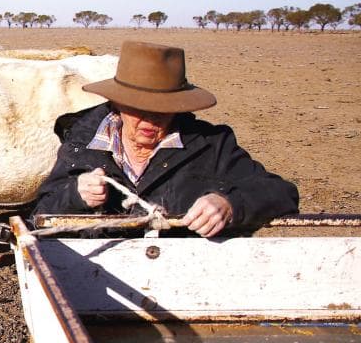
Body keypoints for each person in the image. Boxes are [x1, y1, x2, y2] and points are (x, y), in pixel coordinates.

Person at [33, 41, 298, 237]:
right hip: (95, 282)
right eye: (138, 108)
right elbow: (39, 217)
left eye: (162, 109)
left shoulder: (210, 145)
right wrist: (75, 195)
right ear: (117, 102)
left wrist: (229, 204)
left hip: (181, 281)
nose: (150, 121)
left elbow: (281, 193)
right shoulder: (81, 144)